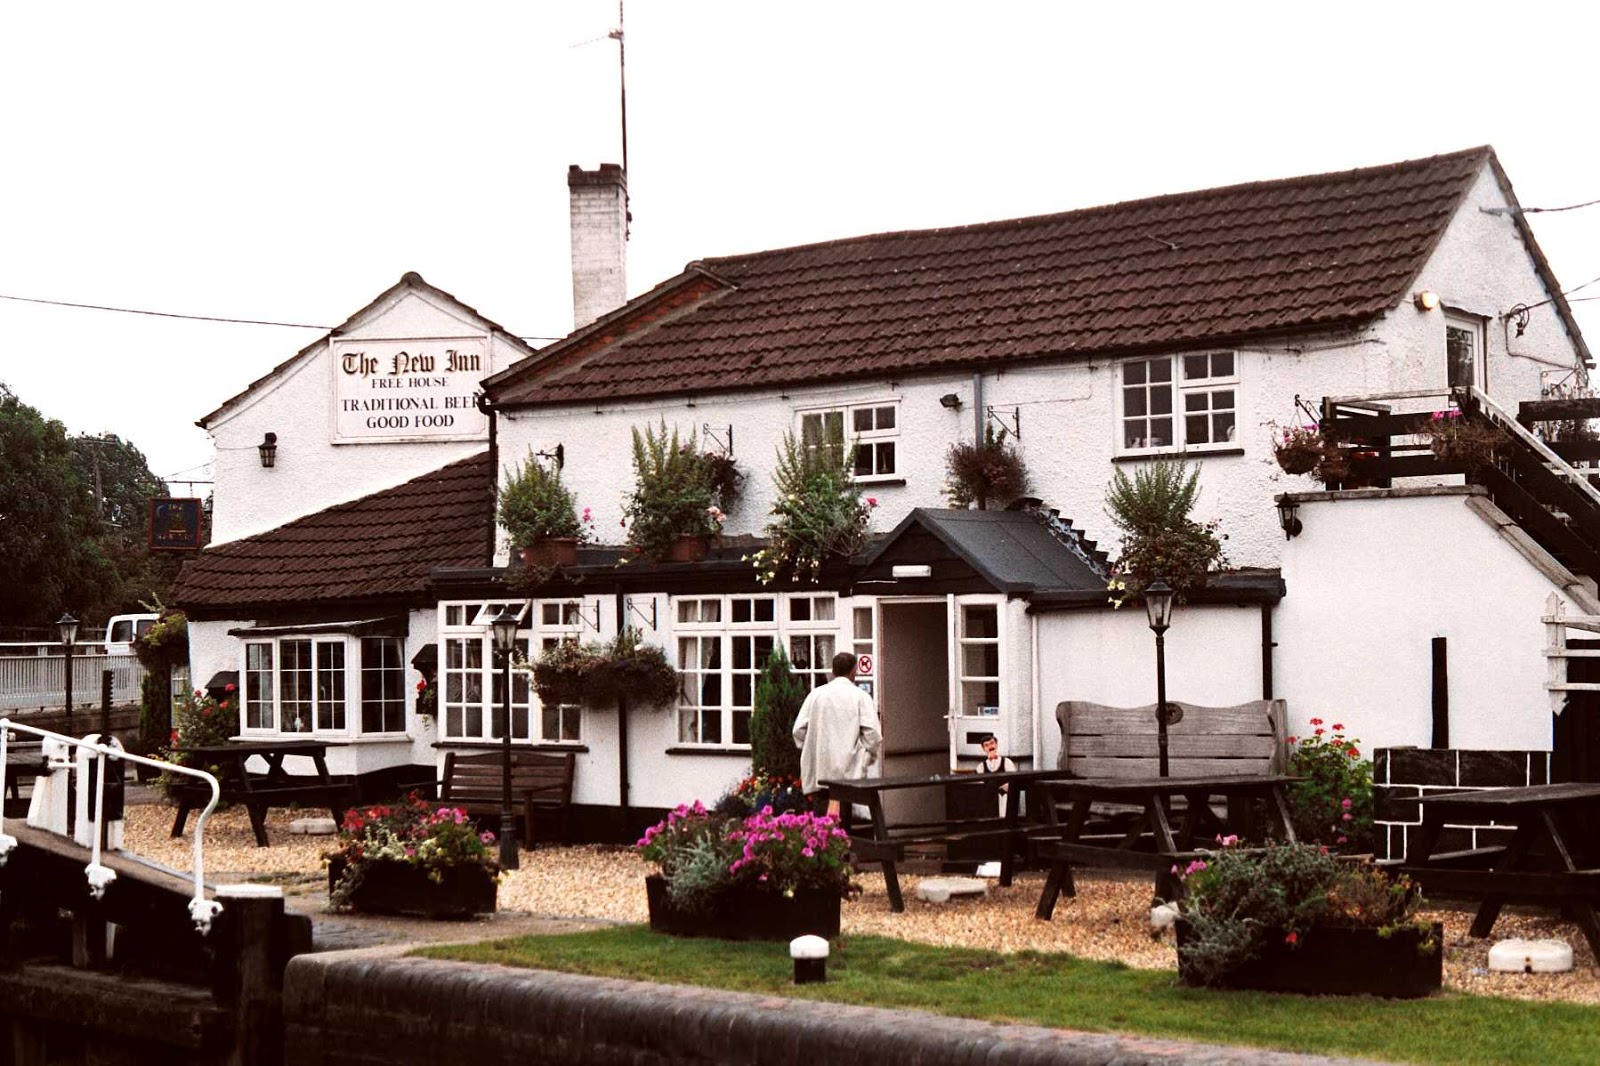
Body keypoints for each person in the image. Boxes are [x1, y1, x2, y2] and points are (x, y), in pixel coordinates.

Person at [793, 651, 882, 816]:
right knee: (845, 821)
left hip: (821, 769)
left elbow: (798, 730)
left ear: (833, 672)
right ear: (853, 671)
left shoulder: (816, 695)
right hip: (849, 772)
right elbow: (873, 734)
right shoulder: (861, 697)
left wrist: (812, 747)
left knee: (821, 823)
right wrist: (863, 756)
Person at [976, 733, 1016, 817]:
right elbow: (980, 786)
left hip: (1005, 797)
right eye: (986, 745)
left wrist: (1006, 786)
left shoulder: (1006, 762)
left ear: (996, 744)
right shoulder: (981, 767)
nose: (990, 747)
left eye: (992, 743)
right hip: (989, 802)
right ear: (983, 749)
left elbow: (1014, 779)